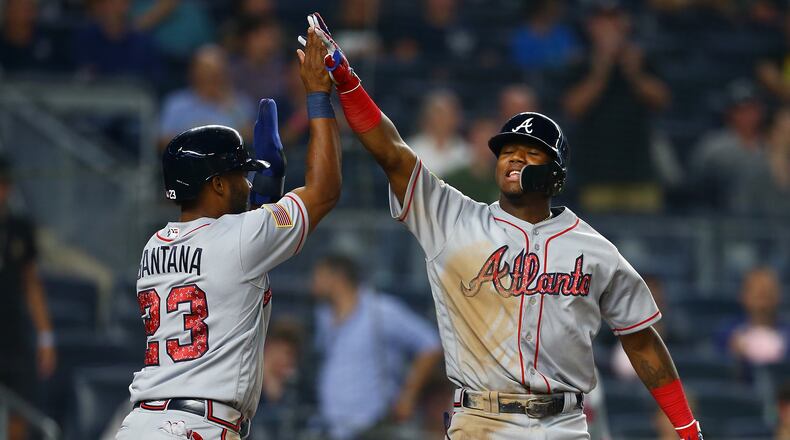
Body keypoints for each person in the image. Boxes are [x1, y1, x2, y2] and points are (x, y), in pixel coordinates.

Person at [305, 12, 703, 439]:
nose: (514, 158)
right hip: (482, 420)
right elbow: (393, 153)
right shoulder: (453, 219)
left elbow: (641, 340)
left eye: (531, 153)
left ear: (556, 174)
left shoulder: (595, 250)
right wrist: (348, 83)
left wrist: (686, 426)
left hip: (564, 423)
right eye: (507, 150)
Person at [115, 27, 341, 440]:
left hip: (142, 422)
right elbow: (324, 191)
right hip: (198, 425)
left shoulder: (154, 246)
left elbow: (230, 243)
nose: (248, 184)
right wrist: (317, 97)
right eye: (240, 175)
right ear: (217, 185)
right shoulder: (239, 239)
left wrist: (265, 198)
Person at [311, 253, 442, 440]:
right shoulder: (323, 315)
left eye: (319, 275)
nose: (313, 282)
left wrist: (408, 395)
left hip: (374, 428)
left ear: (337, 277)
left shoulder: (381, 311)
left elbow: (430, 343)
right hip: (332, 428)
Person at [562, 0, 670, 212]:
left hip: (640, 171)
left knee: (645, 238)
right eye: (602, 20)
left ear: (626, 24)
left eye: (614, 19)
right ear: (590, 25)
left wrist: (635, 74)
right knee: (596, 242)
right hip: (595, 175)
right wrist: (601, 70)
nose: (609, 27)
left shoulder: (641, 59)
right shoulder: (580, 62)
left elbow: (662, 101)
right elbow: (572, 108)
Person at [0, 156, 57, 440]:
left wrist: (45, 336)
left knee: (19, 410)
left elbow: (32, 282)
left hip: (13, 332)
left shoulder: (20, 227)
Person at [690, 80, 775, 214]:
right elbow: (695, 188)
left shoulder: (772, 146)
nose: (747, 116)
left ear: (760, 112)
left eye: (751, 109)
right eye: (740, 110)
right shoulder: (713, 146)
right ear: (729, 112)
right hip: (722, 219)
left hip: (767, 221)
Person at [159, 45, 254, 149]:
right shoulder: (176, 103)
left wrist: (231, 106)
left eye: (217, 71)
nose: (210, 76)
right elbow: (162, 142)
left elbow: (250, 138)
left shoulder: (239, 102)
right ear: (193, 72)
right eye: (205, 70)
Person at [717, 267, 789, 370]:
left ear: (778, 295)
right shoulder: (727, 333)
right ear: (743, 296)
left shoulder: (788, 335)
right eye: (757, 292)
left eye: (768, 292)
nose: (763, 298)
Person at [73, 0, 161, 81]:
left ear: (127, 5)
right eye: (105, 3)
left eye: (115, 2)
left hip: (133, 95)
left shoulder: (143, 43)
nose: (110, 7)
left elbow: (155, 81)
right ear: (96, 6)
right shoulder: (84, 38)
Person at [248, 319, 304, 440]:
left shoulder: (292, 393)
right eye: (287, 353)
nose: (291, 362)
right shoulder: (247, 385)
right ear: (269, 346)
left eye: (294, 356)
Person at [406, 90, 470, 177]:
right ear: (428, 116)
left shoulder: (466, 152)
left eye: (449, 114)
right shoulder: (412, 149)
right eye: (439, 113)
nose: (444, 119)